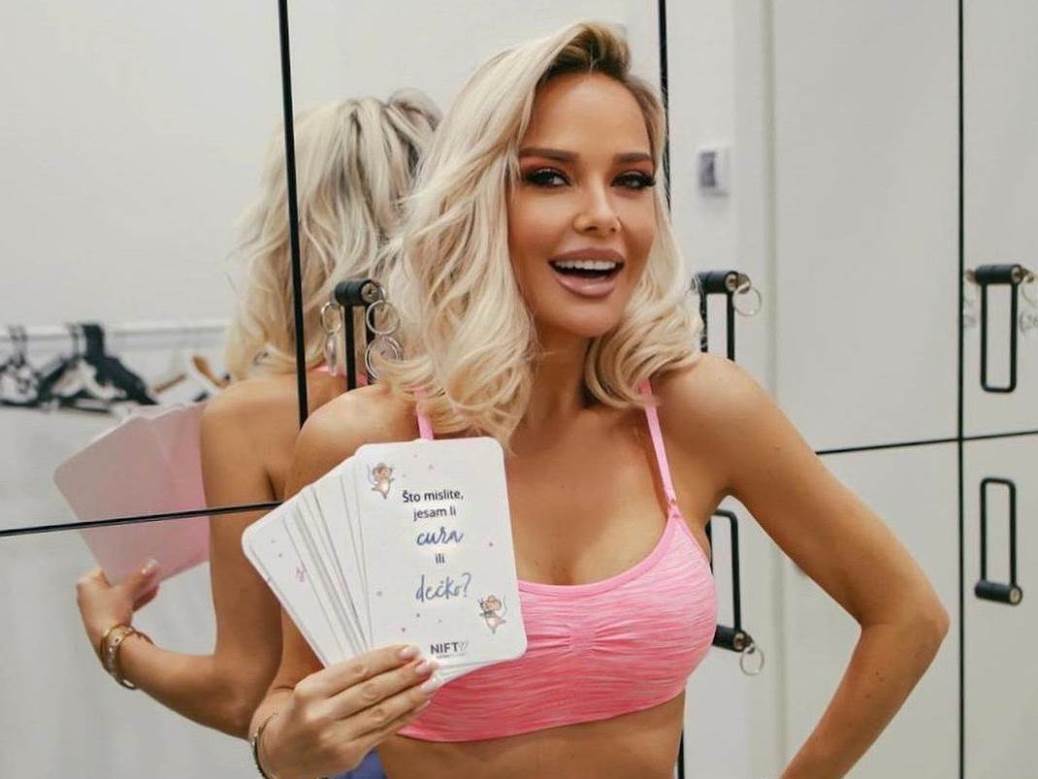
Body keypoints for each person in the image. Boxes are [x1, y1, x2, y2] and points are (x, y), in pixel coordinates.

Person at [251, 22, 950, 779]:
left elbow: (907, 614)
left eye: (632, 180)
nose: (603, 215)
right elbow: (284, 700)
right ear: (476, 199)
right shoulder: (364, 445)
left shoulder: (700, 411)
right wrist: (285, 746)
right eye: (549, 177)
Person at [73, 92, 439, 775]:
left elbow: (244, 693)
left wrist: (112, 636)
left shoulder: (256, 418)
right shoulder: (507, 389)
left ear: (291, 235)